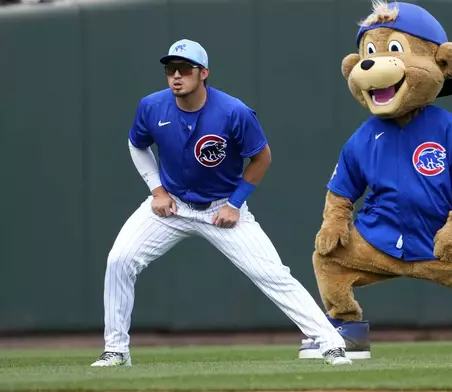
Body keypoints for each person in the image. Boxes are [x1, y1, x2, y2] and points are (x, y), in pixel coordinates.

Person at [90, 38, 352, 367]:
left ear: (204, 73)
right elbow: (136, 144)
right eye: (170, 69)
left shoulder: (233, 112)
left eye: (185, 69)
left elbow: (261, 157)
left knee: (273, 274)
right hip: (172, 207)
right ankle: (116, 350)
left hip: (221, 208)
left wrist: (236, 203)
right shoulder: (152, 106)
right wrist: (156, 190)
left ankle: (330, 342)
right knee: (119, 260)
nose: (176, 76)